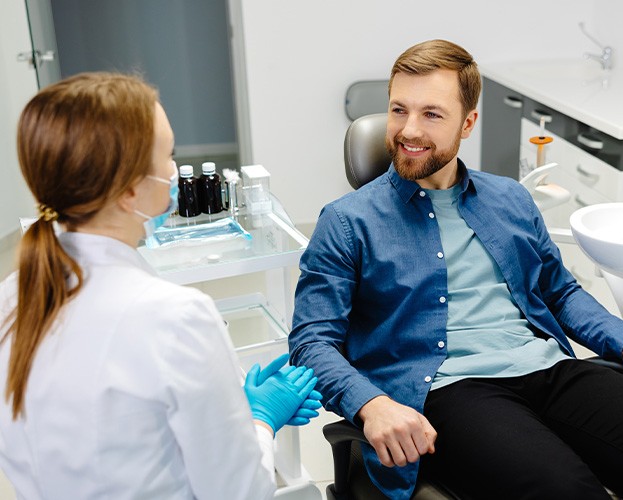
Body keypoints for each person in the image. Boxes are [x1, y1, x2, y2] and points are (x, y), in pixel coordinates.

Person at [289, 39, 623, 500]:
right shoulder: (347, 222)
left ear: (468, 123)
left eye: (432, 114)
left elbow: (560, 293)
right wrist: (372, 404)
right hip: (451, 391)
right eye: (398, 109)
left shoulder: (510, 199)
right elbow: (311, 342)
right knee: (565, 489)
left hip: (548, 368)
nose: (408, 130)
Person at [0, 72, 321, 500]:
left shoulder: (12, 294)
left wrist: (221, 410)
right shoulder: (176, 317)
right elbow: (242, 494)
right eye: (168, 156)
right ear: (131, 191)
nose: (174, 171)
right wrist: (259, 420)